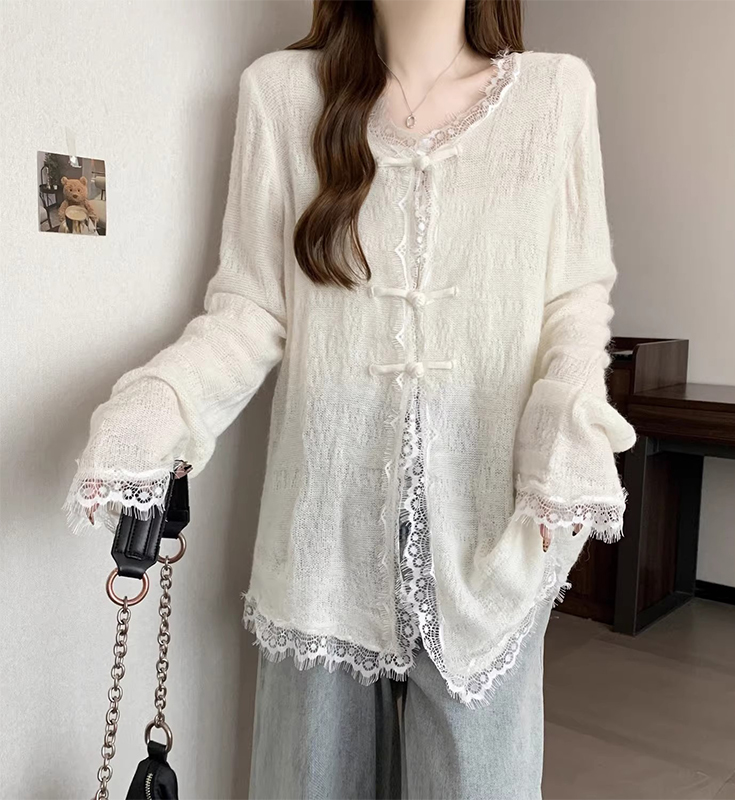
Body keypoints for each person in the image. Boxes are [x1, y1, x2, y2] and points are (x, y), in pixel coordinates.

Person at [63, 0, 637, 797]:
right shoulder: (280, 94)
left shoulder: (554, 95)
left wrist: (562, 435)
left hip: (488, 539)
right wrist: (157, 407)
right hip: (322, 542)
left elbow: (574, 301)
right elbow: (250, 308)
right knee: (308, 781)